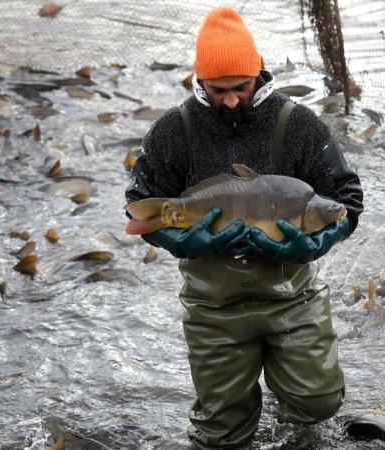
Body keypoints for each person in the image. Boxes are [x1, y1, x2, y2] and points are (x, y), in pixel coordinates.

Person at [125, 6, 363, 449]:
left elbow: (348, 202)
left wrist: (316, 243)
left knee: (319, 404)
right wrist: (178, 239)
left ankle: (287, 406)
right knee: (220, 436)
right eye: (219, 90)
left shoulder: (298, 123)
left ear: (258, 74)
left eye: (241, 87)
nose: (232, 99)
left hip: (291, 295)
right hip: (214, 306)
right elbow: (138, 207)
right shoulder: (174, 129)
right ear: (200, 81)